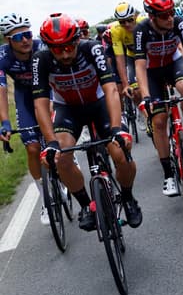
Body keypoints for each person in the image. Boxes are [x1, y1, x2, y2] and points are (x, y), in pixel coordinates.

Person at [32, 13, 141, 230]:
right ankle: (86, 205)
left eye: (68, 47)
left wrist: (118, 129)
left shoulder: (92, 48)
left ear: (76, 41)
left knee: (121, 152)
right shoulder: (41, 60)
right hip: (68, 110)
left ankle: (128, 198)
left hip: (99, 104)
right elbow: (40, 103)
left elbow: (110, 89)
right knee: (61, 158)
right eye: (57, 49)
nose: (64, 54)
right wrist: (51, 142)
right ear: (48, 48)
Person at [133, 0, 183, 197]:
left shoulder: (178, 22)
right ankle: (168, 176)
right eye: (164, 15)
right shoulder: (141, 30)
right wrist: (146, 97)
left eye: (171, 12)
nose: (170, 17)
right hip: (152, 70)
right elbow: (139, 65)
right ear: (152, 16)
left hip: (173, 63)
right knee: (159, 120)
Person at [0, 13, 49, 224]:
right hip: (23, 96)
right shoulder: (3, 56)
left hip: (48, 93)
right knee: (32, 147)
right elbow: (1, 90)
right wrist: (5, 122)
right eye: (19, 37)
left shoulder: (42, 48)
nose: (26, 40)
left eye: (28, 34)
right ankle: (45, 199)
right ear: (7, 40)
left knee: (56, 137)